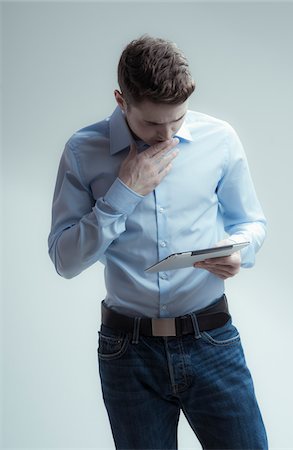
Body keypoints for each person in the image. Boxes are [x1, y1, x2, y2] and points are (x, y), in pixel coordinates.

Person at [48, 35, 268, 450]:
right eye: (151, 123)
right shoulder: (82, 151)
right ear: (120, 99)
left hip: (211, 339)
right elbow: (64, 259)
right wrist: (123, 193)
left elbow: (251, 222)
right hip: (127, 352)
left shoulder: (219, 139)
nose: (167, 136)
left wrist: (238, 250)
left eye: (178, 120)